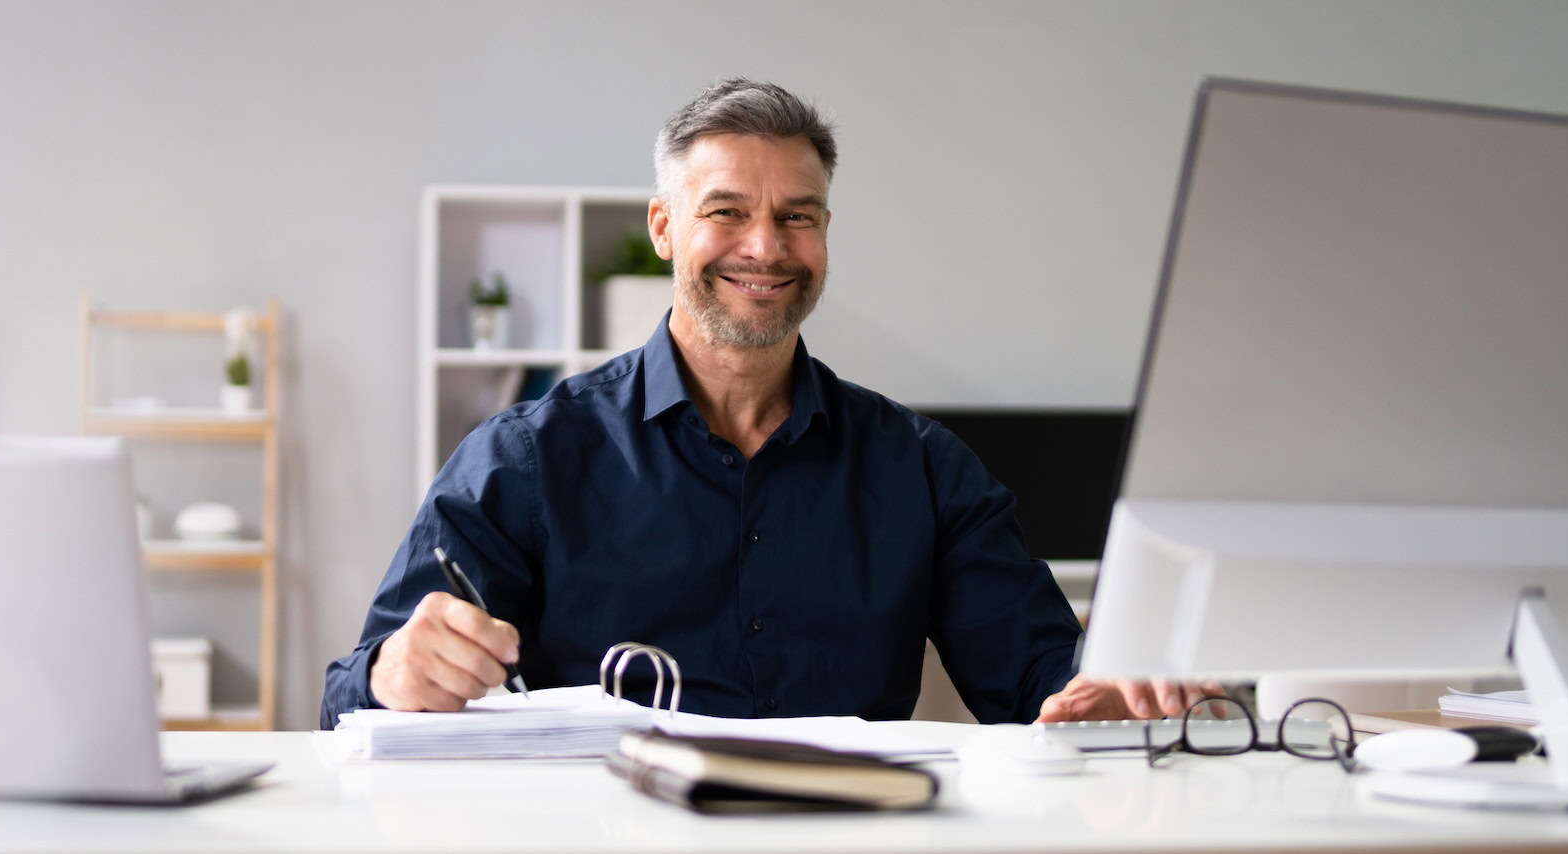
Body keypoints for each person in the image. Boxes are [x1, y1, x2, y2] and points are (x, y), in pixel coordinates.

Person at [322, 78, 1213, 729]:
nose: (765, 246)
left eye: (799, 216)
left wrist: (1103, 689)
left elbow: (1039, 676)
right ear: (664, 227)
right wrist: (398, 671)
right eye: (727, 211)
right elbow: (346, 699)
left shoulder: (925, 468)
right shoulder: (527, 457)